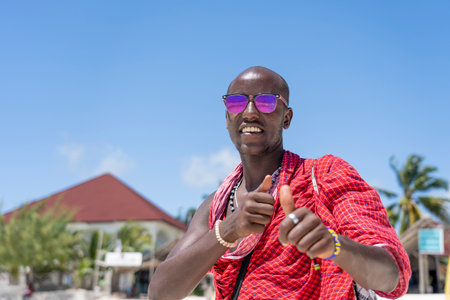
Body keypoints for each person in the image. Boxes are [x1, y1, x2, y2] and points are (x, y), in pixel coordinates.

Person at [148, 66, 411, 299]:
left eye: (265, 102)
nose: (249, 113)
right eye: (237, 103)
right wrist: (229, 230)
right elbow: (160, 293)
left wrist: (333, 245)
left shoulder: (325, 176)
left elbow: (392, 276)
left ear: (287, 118)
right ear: (227, 118)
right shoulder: (216, 206)